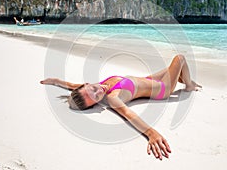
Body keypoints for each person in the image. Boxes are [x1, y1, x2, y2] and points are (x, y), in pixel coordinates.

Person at [40, 54, 201, 160]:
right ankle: (188, 85)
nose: (99, 92)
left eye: (93, 89)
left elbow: (72, 85)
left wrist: (55, 81)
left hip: (148, 79)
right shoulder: (113, 98)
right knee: (180, 58)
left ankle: (182, 78)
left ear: (87, 84)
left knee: (172, 69)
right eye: (96, 98)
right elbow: (129, 115)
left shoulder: (92, 87)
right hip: (162, 89)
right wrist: (151, 133)